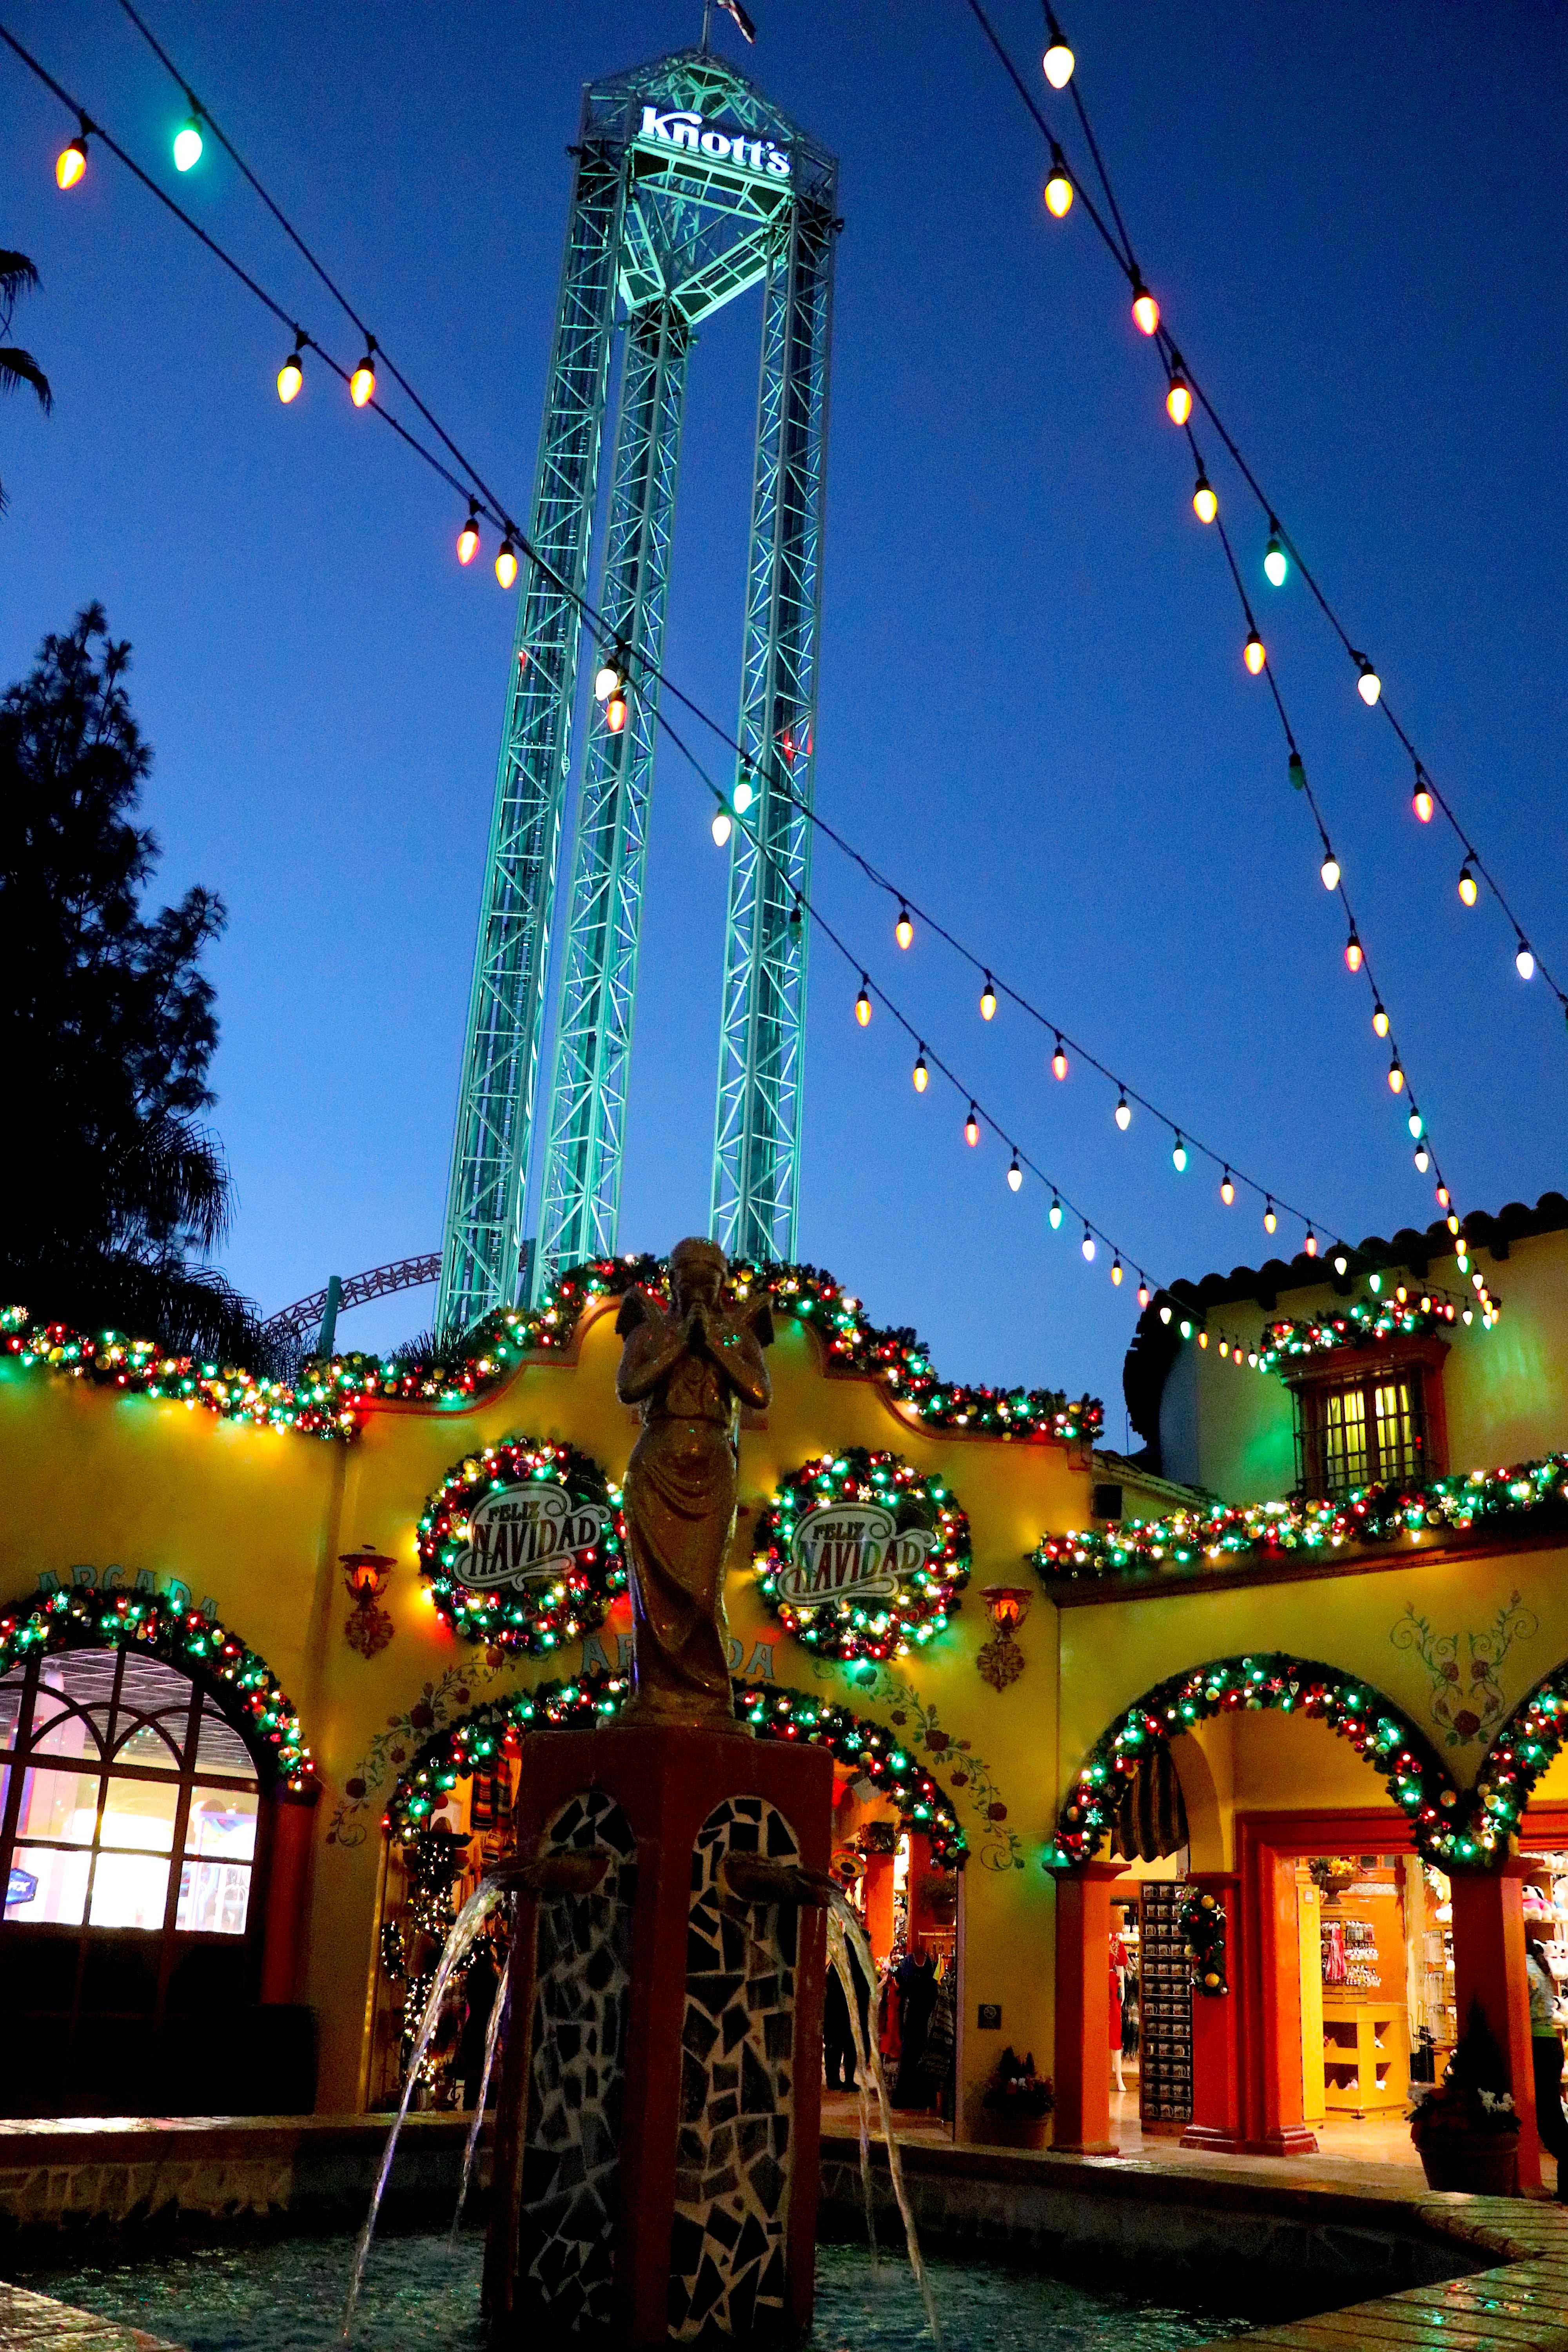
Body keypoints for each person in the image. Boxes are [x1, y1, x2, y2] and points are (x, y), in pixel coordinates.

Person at [614, 1239, 772, 1730]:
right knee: (651, 1590)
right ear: (674, 1283)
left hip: (712, 1460)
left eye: (710, 1281)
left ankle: (709, 1697)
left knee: (703, 1589)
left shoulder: (736, 1336)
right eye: (689, 1281)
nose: (699, 1290)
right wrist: (682, 1344)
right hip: (657, 1459)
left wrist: (713, 1345)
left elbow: (758, 1393)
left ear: (722, 1285)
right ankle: (652, 1693)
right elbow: (629, 1388)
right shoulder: (649, 1333)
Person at [1524, 1924, 1568, 2199]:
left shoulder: (1522, 1969)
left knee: (1549, 2122)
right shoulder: (1538, 1966)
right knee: (1552, 2117)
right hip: (1549, 2042)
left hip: (1536, 2046)